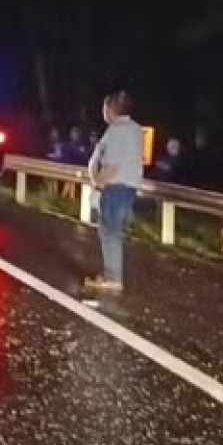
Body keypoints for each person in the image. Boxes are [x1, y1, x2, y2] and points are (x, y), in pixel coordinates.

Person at [84, 90, 146, 296]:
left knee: (109, 233)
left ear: (110, 110)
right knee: (113, 232)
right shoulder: (136, 129)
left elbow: (111, 166)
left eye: (104, 107)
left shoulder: (117, 130)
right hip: (128, 187)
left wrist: (98, 185)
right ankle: (113, 276)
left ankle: (112, 278)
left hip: (115, 187)